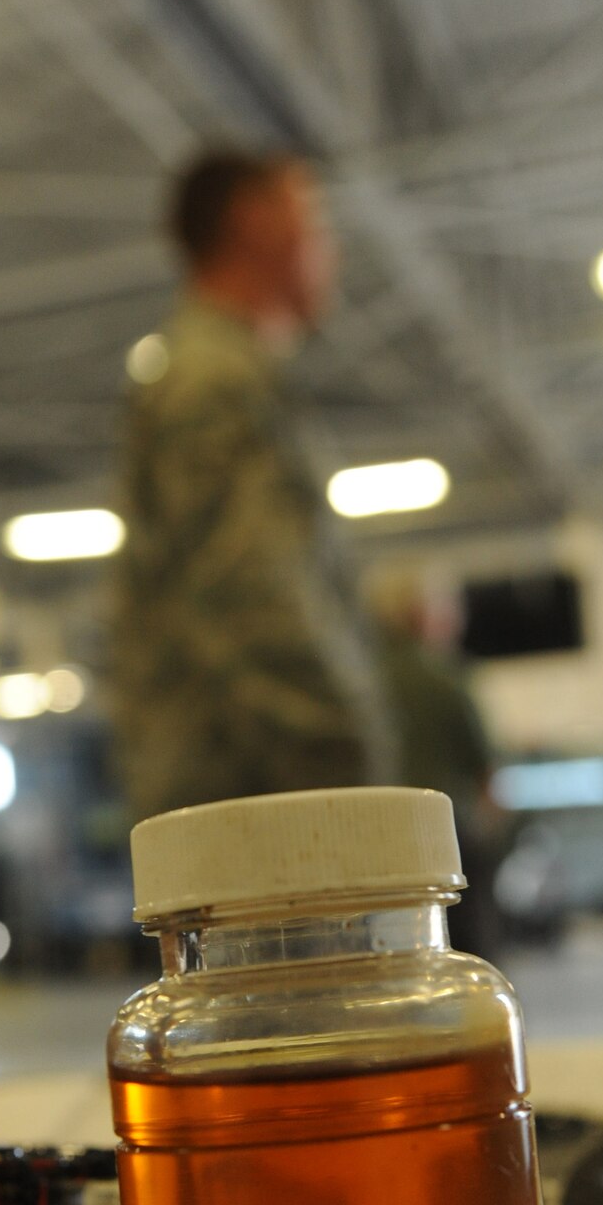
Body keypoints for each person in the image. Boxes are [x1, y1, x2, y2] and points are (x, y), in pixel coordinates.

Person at [109, 148, 393, 819]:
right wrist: (348, 758)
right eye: (314, 222)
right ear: (256, 223)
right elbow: (250, 592)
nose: (331, 249)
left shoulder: (221, 372)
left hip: (246, 787)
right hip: (260, 794)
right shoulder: (213, 379)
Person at [369, 572, 504, 959]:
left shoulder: (363, 678)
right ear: (421, 613)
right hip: (447, 837)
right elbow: (487, 773)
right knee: (466, 949)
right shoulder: (444, 678)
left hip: (377, 837)